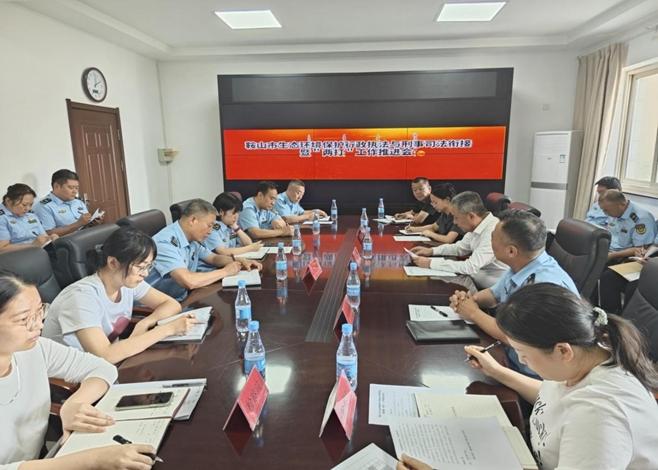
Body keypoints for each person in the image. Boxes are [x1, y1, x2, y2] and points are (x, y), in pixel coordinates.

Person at [399, 284, 658, 470]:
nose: (522, 361)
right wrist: (497, 371)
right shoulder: (586, 356)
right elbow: (551, 396)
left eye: (523, 354)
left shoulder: (600, 417)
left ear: (563, 351)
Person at [0, 271, 158, 470]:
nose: (39, 325)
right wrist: (91, 460)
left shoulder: (36, 348)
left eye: (40, 311)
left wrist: (73, 404)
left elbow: (103, 368)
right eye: (24, 319)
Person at [449, 210, 578, 377]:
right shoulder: (523, 264)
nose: (490, 241)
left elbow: (513, 337)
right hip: (509, 356)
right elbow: (494, 295)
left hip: (532, 375)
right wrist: (467, 300)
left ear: (511, 251)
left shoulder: (543, 288)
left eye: (492, 237)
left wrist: (473, 312)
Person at [42, 227, 199, 364]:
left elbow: (171, 304)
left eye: (148, 267)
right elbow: (105, 355)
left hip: (111, 363)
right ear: (113, 263)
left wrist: (144, 323)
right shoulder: (81, 296)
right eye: (141, 267)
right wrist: (167, 329)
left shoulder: (127, 282)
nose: (145, 274)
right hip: (75, 376)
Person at [145, 199, 261, 301]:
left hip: (183, 297)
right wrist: (225, 272)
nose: (210, 231)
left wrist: (238, 261)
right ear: (193, 220)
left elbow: (213, 258)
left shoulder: (191, 238)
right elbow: (188, 281)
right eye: (209, 225)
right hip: (159, 307)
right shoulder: (165, 242)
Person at [410, 191, 508, 288]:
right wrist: (431, 251)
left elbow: (470, 267)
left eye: (456, 217)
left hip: (492, 288)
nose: (454, 222)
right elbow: (459, 248)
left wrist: (430, 263)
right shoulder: (477, 225)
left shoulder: (493, 231)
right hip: (476, 278)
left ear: (471, 216)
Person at [32, 169, 96, 237]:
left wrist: (93, 222)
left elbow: (85, 224)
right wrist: (77, 224)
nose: (75, 191)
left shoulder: (78, 202)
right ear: (57, 186)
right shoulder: (44, 207)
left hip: (86, 237)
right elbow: (48, 234)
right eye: (71, 187)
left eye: (77, 188)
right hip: (66, 242)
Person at [599, 190, 655, 263]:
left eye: (606, 210)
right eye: (603, 210)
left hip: (623, 257)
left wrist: (612, 255)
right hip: (607, 250)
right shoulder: (614, 212)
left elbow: (640, 249)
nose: (605, 213)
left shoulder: (642, 219)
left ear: (621, 204)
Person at [0, 184, 57, 253]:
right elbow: (2, 248)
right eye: (24, 205)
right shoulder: (2, 218)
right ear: (8, 201)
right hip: (18, 256)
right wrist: (32, 245)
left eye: (30, 205)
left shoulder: (30, 215)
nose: (28, 208)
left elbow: (43, 236)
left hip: (39, 252)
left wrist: (50, 238)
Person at [204, 192, 263, 257]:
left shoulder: (231, 225)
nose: (236, 216)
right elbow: (223, 252)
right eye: (233, 213)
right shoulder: (212, 228)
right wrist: (249, 248)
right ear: (221, 212)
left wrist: (236, 228)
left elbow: (248, 243)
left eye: (237, 213)